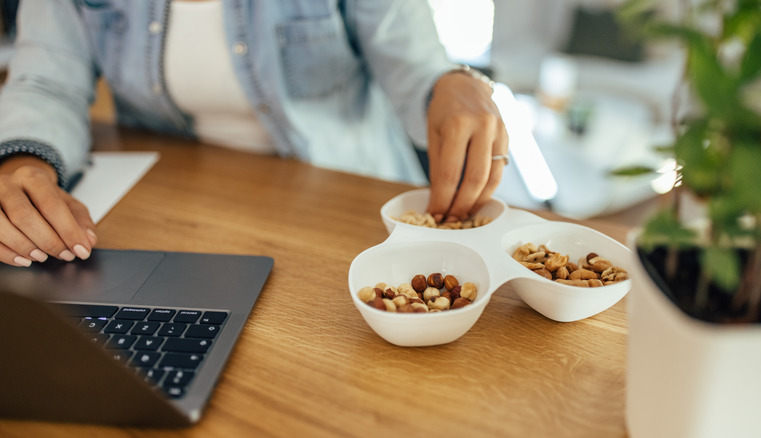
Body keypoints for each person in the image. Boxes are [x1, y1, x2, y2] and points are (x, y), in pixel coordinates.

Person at [0, 0, 508, 267]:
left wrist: (451, 82)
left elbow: (416, 65)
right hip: (168, 217)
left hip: (343, 213)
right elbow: (47, 82)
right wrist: (21, 160)